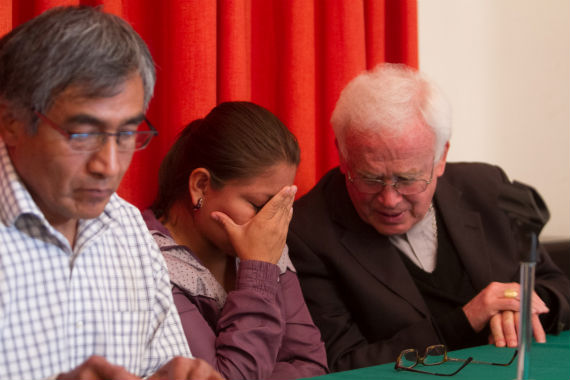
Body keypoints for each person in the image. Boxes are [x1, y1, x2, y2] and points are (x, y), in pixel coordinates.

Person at [287, 63, 570, 371]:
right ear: (343, 156)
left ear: (441, 158)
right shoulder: (308, 231)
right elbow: (344, 363)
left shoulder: (487, 187)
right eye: (370, 178)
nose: (390, 199)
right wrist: (467, 319)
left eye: (408, 179)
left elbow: (556, 284)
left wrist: (519, 304)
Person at [0, 6, 222, 380]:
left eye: (126, 134)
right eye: (83, 134)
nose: (109, 165)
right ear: (11, 123)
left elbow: (159, 361)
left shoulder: (128, 229)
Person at [143, 101, 329, 380]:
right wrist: (257, 270)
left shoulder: (264, 236)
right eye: (258, 205)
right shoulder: (149, 262)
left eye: (279, 206)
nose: (272, 222)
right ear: (201, 186)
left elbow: (311, 365)